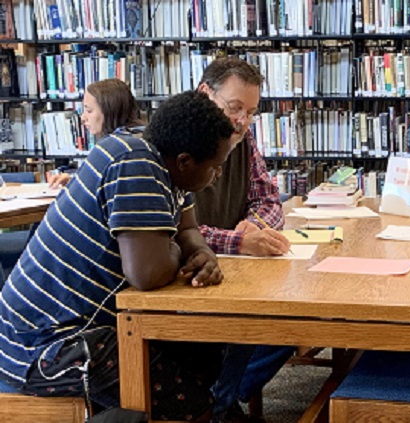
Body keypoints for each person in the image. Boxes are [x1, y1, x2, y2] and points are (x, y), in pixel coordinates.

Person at [0, 82, 236, 421]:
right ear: (184, 161)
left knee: (203, 347)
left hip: (80, 325)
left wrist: (200, 251)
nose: (218, 175)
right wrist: (174, 250)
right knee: (190, 400)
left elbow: (187, 229)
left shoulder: (160, 149)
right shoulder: (137, 164)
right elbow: (147, 274)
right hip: (43, 346)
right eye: (215, 166)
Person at [196, 58, 296, 422]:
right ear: (206, 94)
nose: (242, 121)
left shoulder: (243, 137)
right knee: (248, 322)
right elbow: (177, 227)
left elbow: (268, 198)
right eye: (234, 108)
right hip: (186, 274)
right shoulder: (178, 140)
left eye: (251, 112)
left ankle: (224, 395)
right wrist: (238, 242)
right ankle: (217, 403)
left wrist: (254, 226)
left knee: (295, 319)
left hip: (235, 268)